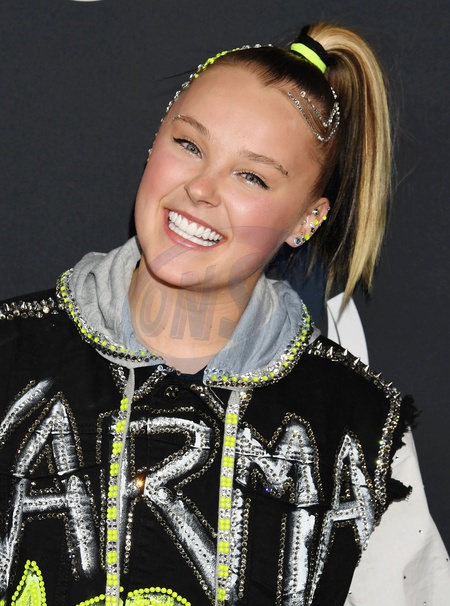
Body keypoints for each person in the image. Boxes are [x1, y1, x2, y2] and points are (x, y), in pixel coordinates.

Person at [0, 21, 448, 606]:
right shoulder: (9, 356)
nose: (201, 189)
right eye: (189, 145)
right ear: (155, 140)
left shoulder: (361, 432)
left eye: (252, 176)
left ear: (308, 220)